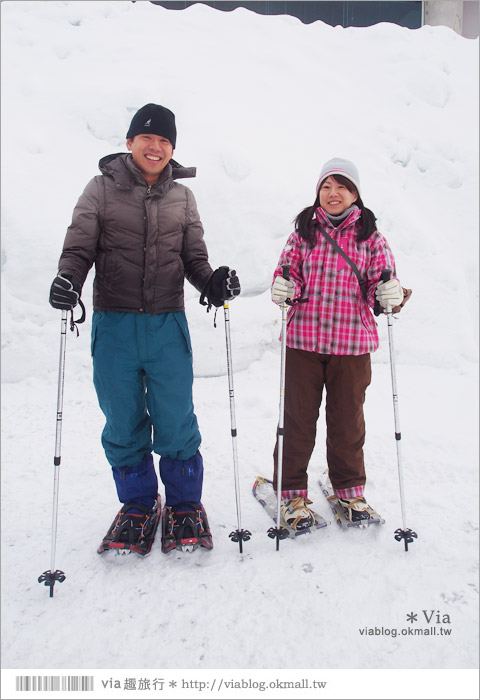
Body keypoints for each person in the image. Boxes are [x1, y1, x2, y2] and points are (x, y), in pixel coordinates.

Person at [49, 103, 240, 553]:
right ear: (130, 142)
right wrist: (68, 281)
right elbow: (79, 246)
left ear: (173, 148)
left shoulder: (183, 198)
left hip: (166, 324)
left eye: (164, 141)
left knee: (176, 417)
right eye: (147, 138)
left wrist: (212, 282)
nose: (155, 147)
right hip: (114, 325)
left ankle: (185, 504)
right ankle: (137, 502)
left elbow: (194, 259)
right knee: (122, 419)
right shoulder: (99, 190)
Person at [271, 157, 411, 529]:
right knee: (296, 420)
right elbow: (289, 273)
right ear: (318, 191)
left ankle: (349, 491)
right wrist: (285, 288)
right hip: (303, 342)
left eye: (342, 187)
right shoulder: (304, 233)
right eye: (326, 187)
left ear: (355, 195)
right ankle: (291, 495)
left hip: (352, 346)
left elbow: (382, 285)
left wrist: (390, 293)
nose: (333, 194)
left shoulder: (372, 238)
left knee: (347, 422)